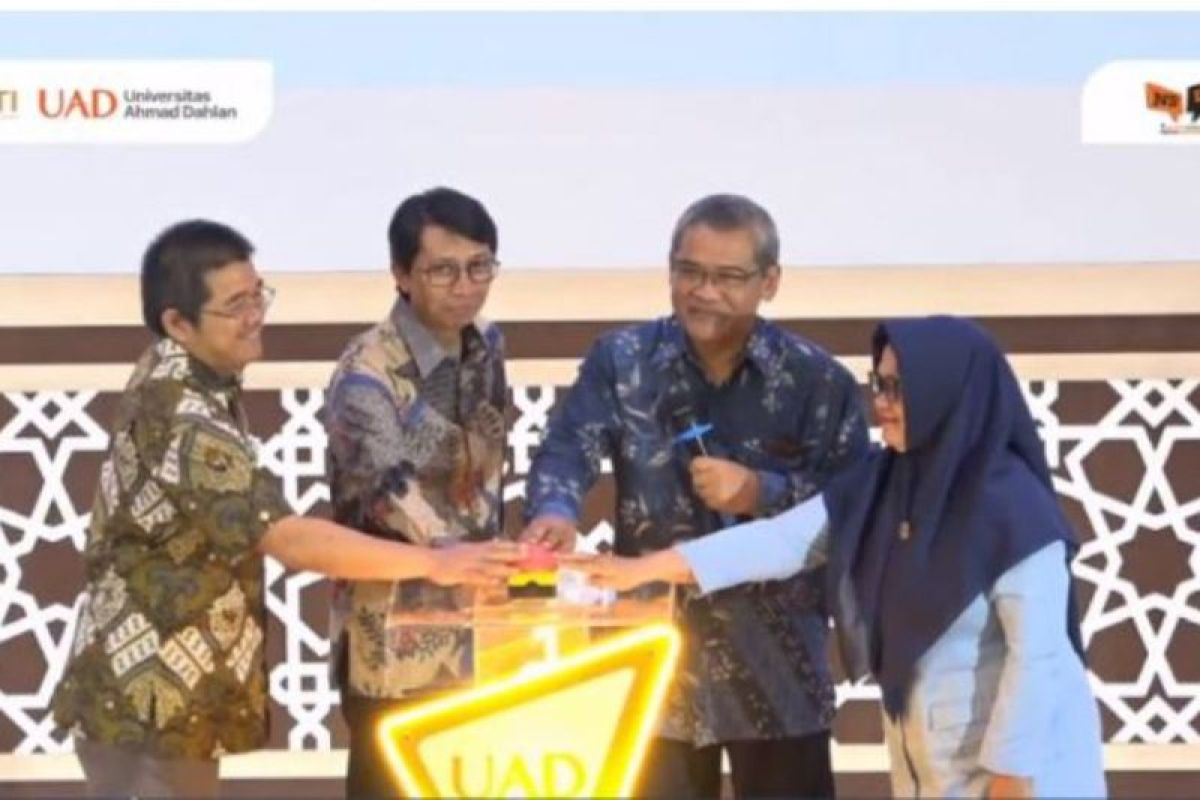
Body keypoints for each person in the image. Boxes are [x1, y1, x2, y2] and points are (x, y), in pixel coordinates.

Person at [51, 220, 516, 799]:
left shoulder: (190, 374)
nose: (255, 316)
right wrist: (437, 563)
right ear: (178, 322)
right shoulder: (182, 410)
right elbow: (287, 538)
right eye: (235, 306)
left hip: (171, 690)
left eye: (258, 296)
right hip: (149, 690)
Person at [575, 316, 1107, 798]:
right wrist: (639, 570)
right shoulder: (884, 484)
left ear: (946, 393)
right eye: (879, 383)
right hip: (936, 766)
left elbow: (1039, 658)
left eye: (899, 388)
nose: (882, 403)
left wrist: (1012, 774)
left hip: (1025, 775)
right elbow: (782, 541)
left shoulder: (1015, 509)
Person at [521, 194, 868, 798]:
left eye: (728, 277)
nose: (704, 292)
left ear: (769, 281)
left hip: (778, 668)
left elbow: (855, 506)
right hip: (656, 663)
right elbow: (567, 445)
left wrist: (762, 490)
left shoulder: (818, 381)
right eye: (689, 272)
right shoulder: (623, 361)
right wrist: (556, 509)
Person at [322, 187, 508, 799]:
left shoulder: (488, 345)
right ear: (402, 275)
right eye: (443, 271)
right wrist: (463, 556)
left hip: (479, 625)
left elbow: (488, 466)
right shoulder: (365, 373)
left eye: (480, 267)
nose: (466, 286)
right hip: (392, 637)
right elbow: (390, 492)